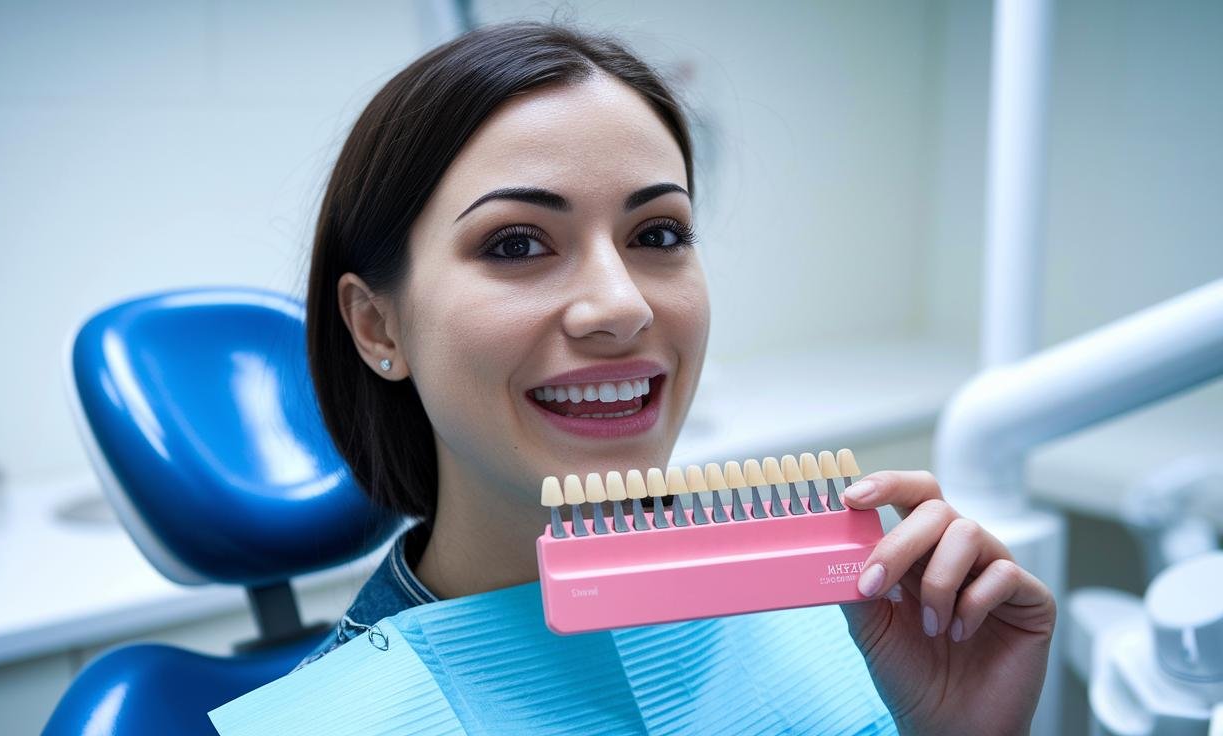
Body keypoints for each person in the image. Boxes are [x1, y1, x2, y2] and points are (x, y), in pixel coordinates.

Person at [293, 19, 1056, 735]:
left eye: (657, 233)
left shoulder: (857, 624)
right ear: (376, 326)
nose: (622, 306)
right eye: (517, 245)